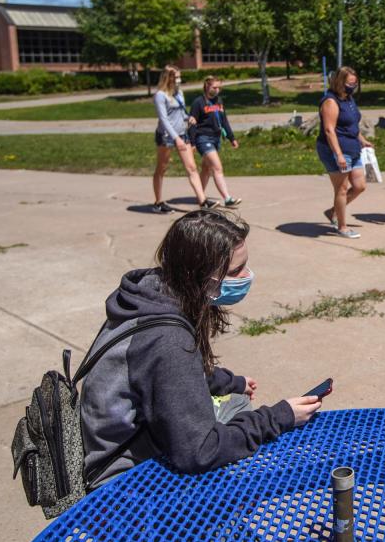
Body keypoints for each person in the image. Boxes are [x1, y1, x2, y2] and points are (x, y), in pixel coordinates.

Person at [80, 210, 322, 488]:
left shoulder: (152, 293)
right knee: (255, 446)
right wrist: (280, 416)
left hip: (117, 446)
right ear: (196, 273)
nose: (246, 276)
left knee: (237, 400)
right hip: (124, 482)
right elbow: (199, 452)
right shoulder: (168, 340)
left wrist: (232, 382)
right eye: (234, 271)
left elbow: (171, 374)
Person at [317, 66, 373, 239]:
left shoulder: (349, 99)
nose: (352, 86)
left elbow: (351, 125)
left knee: (359, 186)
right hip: (335, 150)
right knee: (341, 189)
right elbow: (329, 130)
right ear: (340, 81)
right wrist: (339, 155)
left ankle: (333, 211)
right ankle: (342, 226)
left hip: (352, 147)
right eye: (350, 83)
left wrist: (362, 139)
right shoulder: (331, 101)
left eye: (355, 83)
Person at [151, 65, 215, 214]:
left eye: (180, 76)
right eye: (176, 77)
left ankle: (203, 201)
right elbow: (164, 119)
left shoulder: (179, 92)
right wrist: (175, 139)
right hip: (166, 136)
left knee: (191, 167)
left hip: (182, 134)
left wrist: (189, 117)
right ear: (168, 78)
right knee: (162, 168)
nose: (179, 80)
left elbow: (180, 113)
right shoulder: (160, 95)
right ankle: (158, 202)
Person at [188, 76, 242, 208]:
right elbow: (192, 124)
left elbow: (224, 121)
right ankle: (227, 198)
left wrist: (231, 137)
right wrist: (192, 142)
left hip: (216, 138)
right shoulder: (198, 102)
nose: (217, 90)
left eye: (219, 88)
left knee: (206, 169)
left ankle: (200, 197)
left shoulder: (219, 101)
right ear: (207, 86)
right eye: (214, 87)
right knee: (217, 167)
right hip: (203, 138)